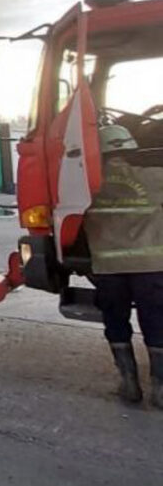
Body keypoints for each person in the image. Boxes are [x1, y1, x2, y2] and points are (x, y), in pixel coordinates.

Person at [83, 124, 163, 408]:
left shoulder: (87, 183)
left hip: (107, 267)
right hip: (151, 265)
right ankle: (161, 388)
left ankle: (129, 383)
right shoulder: (156, 176)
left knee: (115, 320)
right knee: (156, 320)